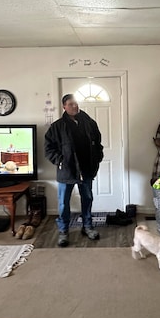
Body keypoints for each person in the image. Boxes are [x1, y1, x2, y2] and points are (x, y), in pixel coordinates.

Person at [44, 94, 104, 247]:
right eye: (71, 104)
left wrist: (97, 157)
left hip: (86, 169)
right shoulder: (57, 126)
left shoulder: (90, 123)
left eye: (76, 103)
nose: (74, 106)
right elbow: (48, 148)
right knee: (64, 203)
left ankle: (87, 226)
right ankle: (64, 231)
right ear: (64, 106)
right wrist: (60, 160)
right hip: (67, 170)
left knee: (87, 199)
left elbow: (98, 143)